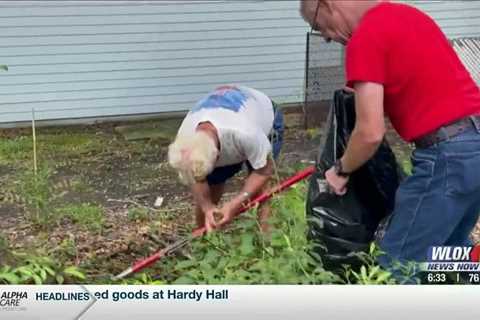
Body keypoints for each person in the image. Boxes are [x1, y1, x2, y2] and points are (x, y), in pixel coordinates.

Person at [300, 0, 480, 277]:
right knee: (449, 251)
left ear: (325, 5)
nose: (324, 36)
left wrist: (340, 169)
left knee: (395, 265)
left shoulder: (364, 39)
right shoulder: (408, 15)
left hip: (449, 157)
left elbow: (370, 133)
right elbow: (417, 81)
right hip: (473, 146)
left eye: (317, 26)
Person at [168, 85, 284, 232]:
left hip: (263, 114)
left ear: (217, 156)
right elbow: (196, 176)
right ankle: (203, 239)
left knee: (261, 189)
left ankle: (266, 242)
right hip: (225, 119)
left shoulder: (245, 133)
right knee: (213, 185)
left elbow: (264, 171)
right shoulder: (186, 137)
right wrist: (207, 206)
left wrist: (235, 204)